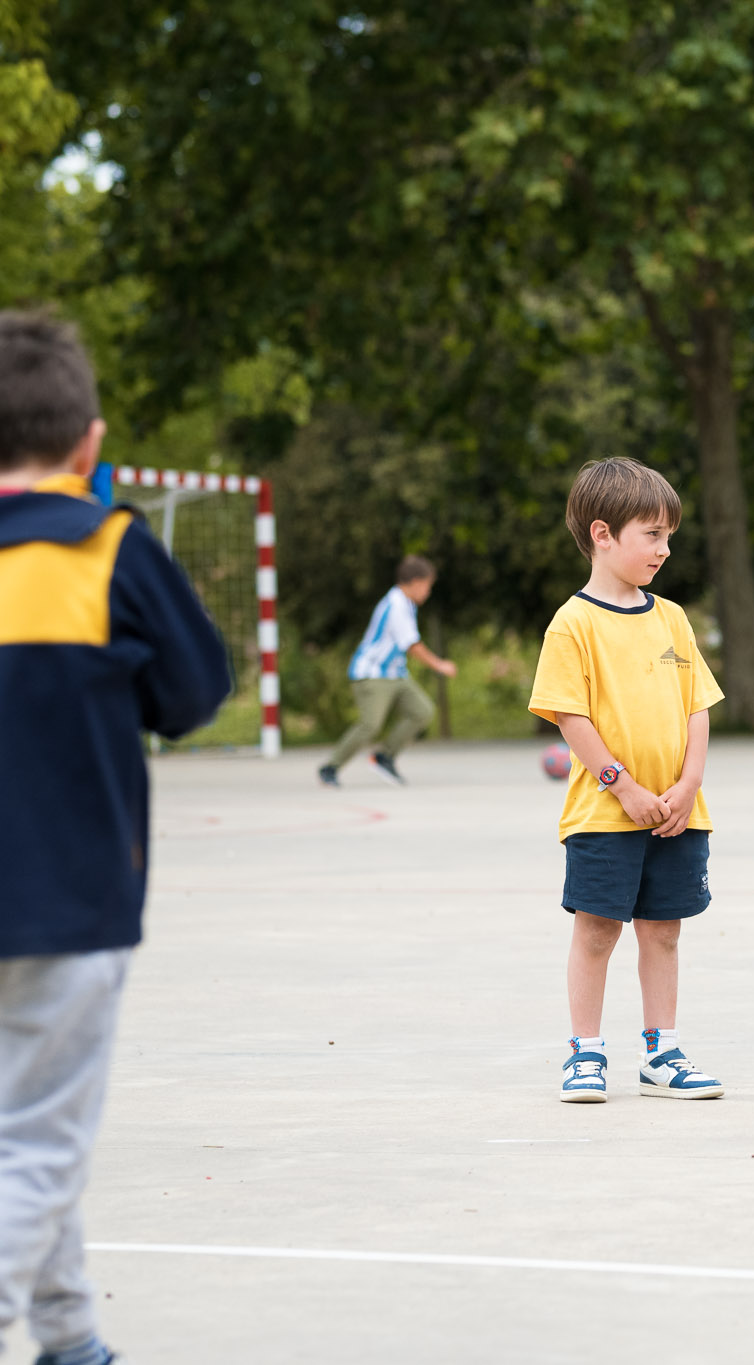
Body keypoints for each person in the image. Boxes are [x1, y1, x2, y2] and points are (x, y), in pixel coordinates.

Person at [0, 311, 232, 1365]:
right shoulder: (109, 551)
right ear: (89, 445)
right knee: (40, 1138)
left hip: (58, 906)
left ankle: (70, 1335)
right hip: (69, 902)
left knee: (26, 1134)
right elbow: (193, 696)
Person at [527, 457, 726, 1103]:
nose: (665, 549)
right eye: (652, 534)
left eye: (669, 535)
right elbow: (568, 713)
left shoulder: (671, 618)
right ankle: (586, 1054)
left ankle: (661, 1052)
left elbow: (697, 701)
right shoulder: (573, 622)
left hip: (676, 810)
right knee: (596, 929)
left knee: (664, 928)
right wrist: (625, 786)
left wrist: (689, 782)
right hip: (608, 812)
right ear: (603, 533)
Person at [317, 555, 458, 787]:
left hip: (394, 673)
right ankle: (330, 767)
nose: (428, 592)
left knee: (422, 711)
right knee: (370, 725)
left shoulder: (406, 604)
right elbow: (412, 645)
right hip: (371, 674)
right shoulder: (395, 605)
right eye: (426, 586)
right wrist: (439, 665)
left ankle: (385, 756)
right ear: (413, 582)